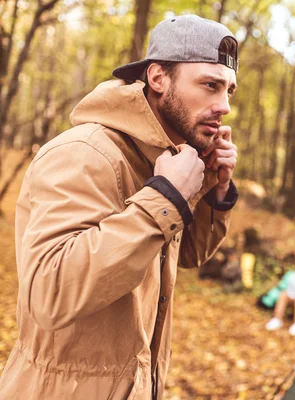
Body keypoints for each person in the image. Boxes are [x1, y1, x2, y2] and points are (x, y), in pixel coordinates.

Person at [0, 15, 239, 399]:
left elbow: (185, 255)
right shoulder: (84, 153)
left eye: (229, 91)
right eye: (210, 85)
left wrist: (214, 189)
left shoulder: (162, 160)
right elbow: (50, 292)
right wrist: (164, 198)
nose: (224, 105)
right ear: (158, 77)